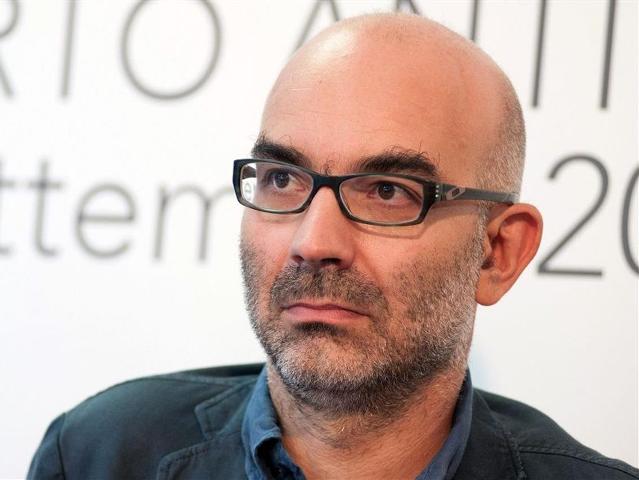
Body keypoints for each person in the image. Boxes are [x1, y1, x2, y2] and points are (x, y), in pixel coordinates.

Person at [28, 13, 638, 480]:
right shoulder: (96, 455)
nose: (313, 242)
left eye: (389, 192)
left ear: (497, 253)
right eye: (282, 180)